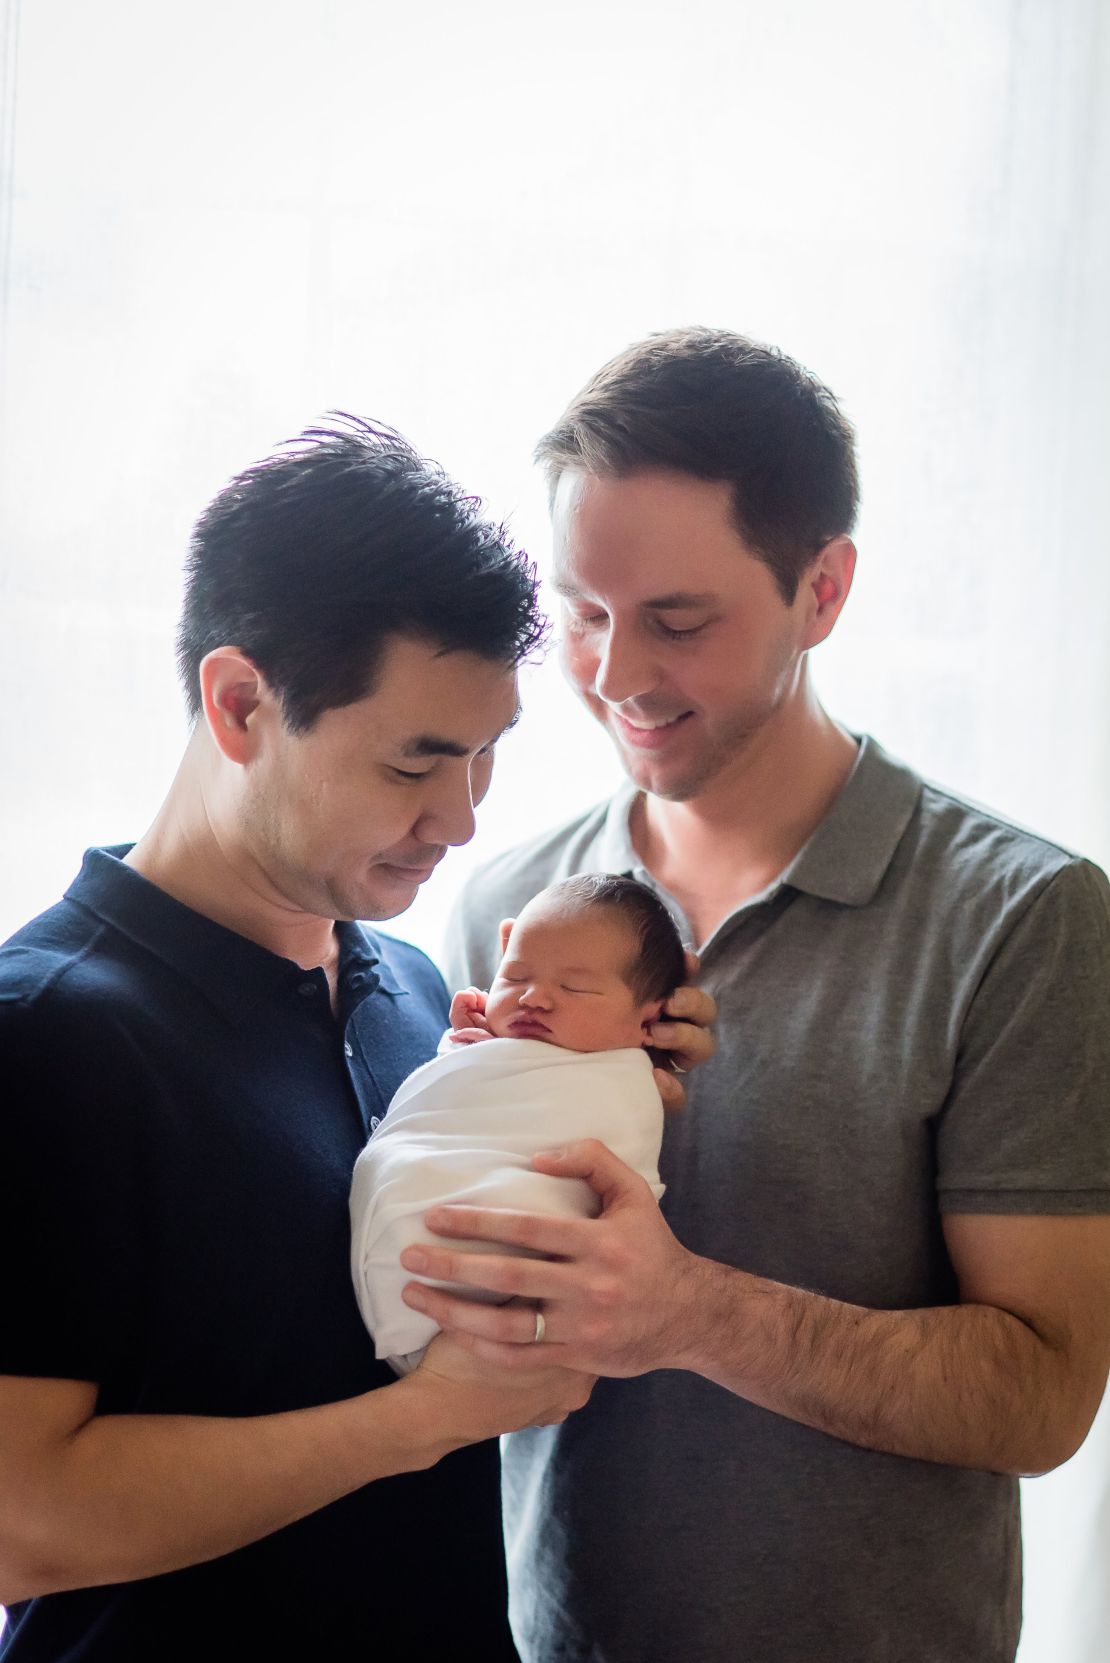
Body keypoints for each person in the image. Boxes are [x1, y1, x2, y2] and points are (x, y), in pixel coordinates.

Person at [396, 330, 1110, 1663]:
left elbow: (1043, 1392)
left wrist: (693, 1311)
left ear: (823, 587)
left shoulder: (1019, 915)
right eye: (582, 612)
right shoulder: (503, 909)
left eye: (676, 619)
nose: (612, 677)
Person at [0, 416, 621, 1662]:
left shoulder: (405, 983)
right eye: (415, 763)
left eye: (490, 754)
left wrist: (628, 1080)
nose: (460, 817)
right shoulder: (47, 1033)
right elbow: (19, 1518)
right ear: (240, 704)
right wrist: (424, 1419)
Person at [350, 874, 685, 1370]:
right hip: (413, 1253)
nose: (534, 998)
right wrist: (466, 1048)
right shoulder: (470, 1012)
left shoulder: (622, 1081)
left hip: (506, 1273)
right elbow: (452, 1106)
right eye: (514, 977)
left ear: (647, 1019)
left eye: (574, 987)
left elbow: (595, 1164)